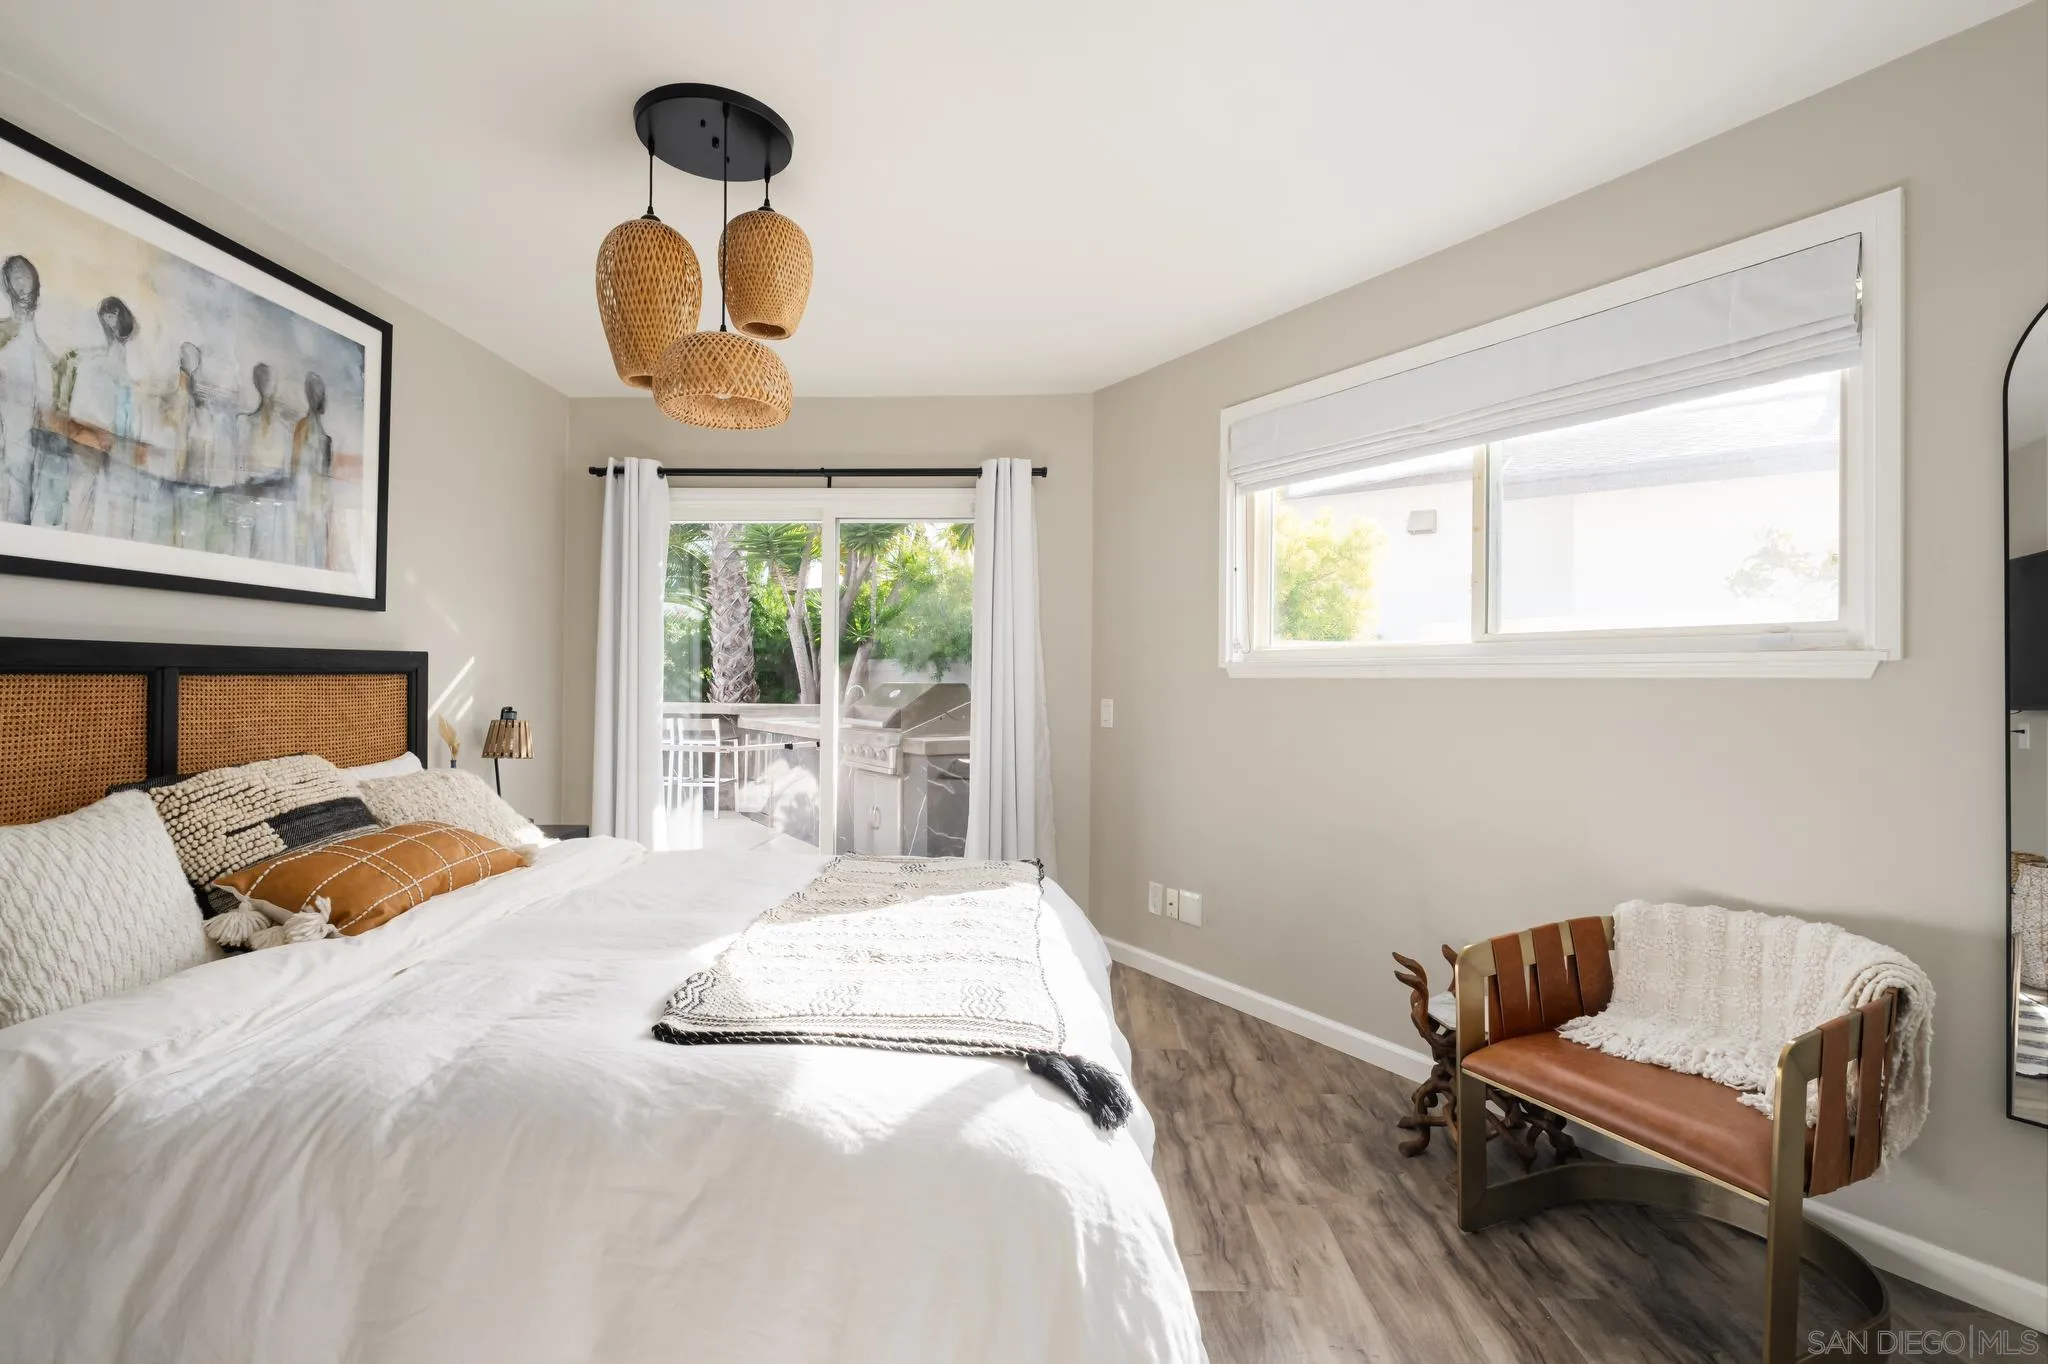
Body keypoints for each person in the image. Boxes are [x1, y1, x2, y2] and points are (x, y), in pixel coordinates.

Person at [0, 255, 54, 525]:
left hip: (33, 466)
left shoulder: (44, 357)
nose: (23, 286)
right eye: (16, 279)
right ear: (7, 287)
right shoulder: (5, 341)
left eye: (26, 278)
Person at [290, 370, 333, 569]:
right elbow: (295, 466)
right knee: (303, 547)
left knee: (317, 549)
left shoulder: (323, 437)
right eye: (320, 394)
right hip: (305, 498)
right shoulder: (303, 428)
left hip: (317, 501)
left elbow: (325, 474)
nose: (323, 398)